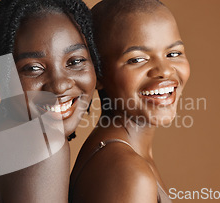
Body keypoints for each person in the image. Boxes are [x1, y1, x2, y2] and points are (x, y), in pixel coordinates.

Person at [0, 0, 100, 202]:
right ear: (1, 77)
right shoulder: (42, 144)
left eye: (75, 62)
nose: (59, 85)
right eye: (33, 68)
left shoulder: (8, 139)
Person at [69, 0, 190, 202]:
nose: (165, 70)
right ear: (97, 73)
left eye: (173, 54)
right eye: (137, 59)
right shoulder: (128, 172)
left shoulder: (126, 156)